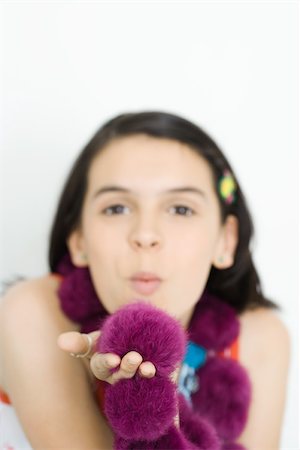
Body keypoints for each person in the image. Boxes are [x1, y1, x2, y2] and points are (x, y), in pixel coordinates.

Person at [0, 111, 290, 449]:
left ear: (225, 241)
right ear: (78, 239)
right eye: (117, 209)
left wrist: (160, 411)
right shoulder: (34, 313)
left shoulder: (259, 338)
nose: (146, 234)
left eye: (181, 209)